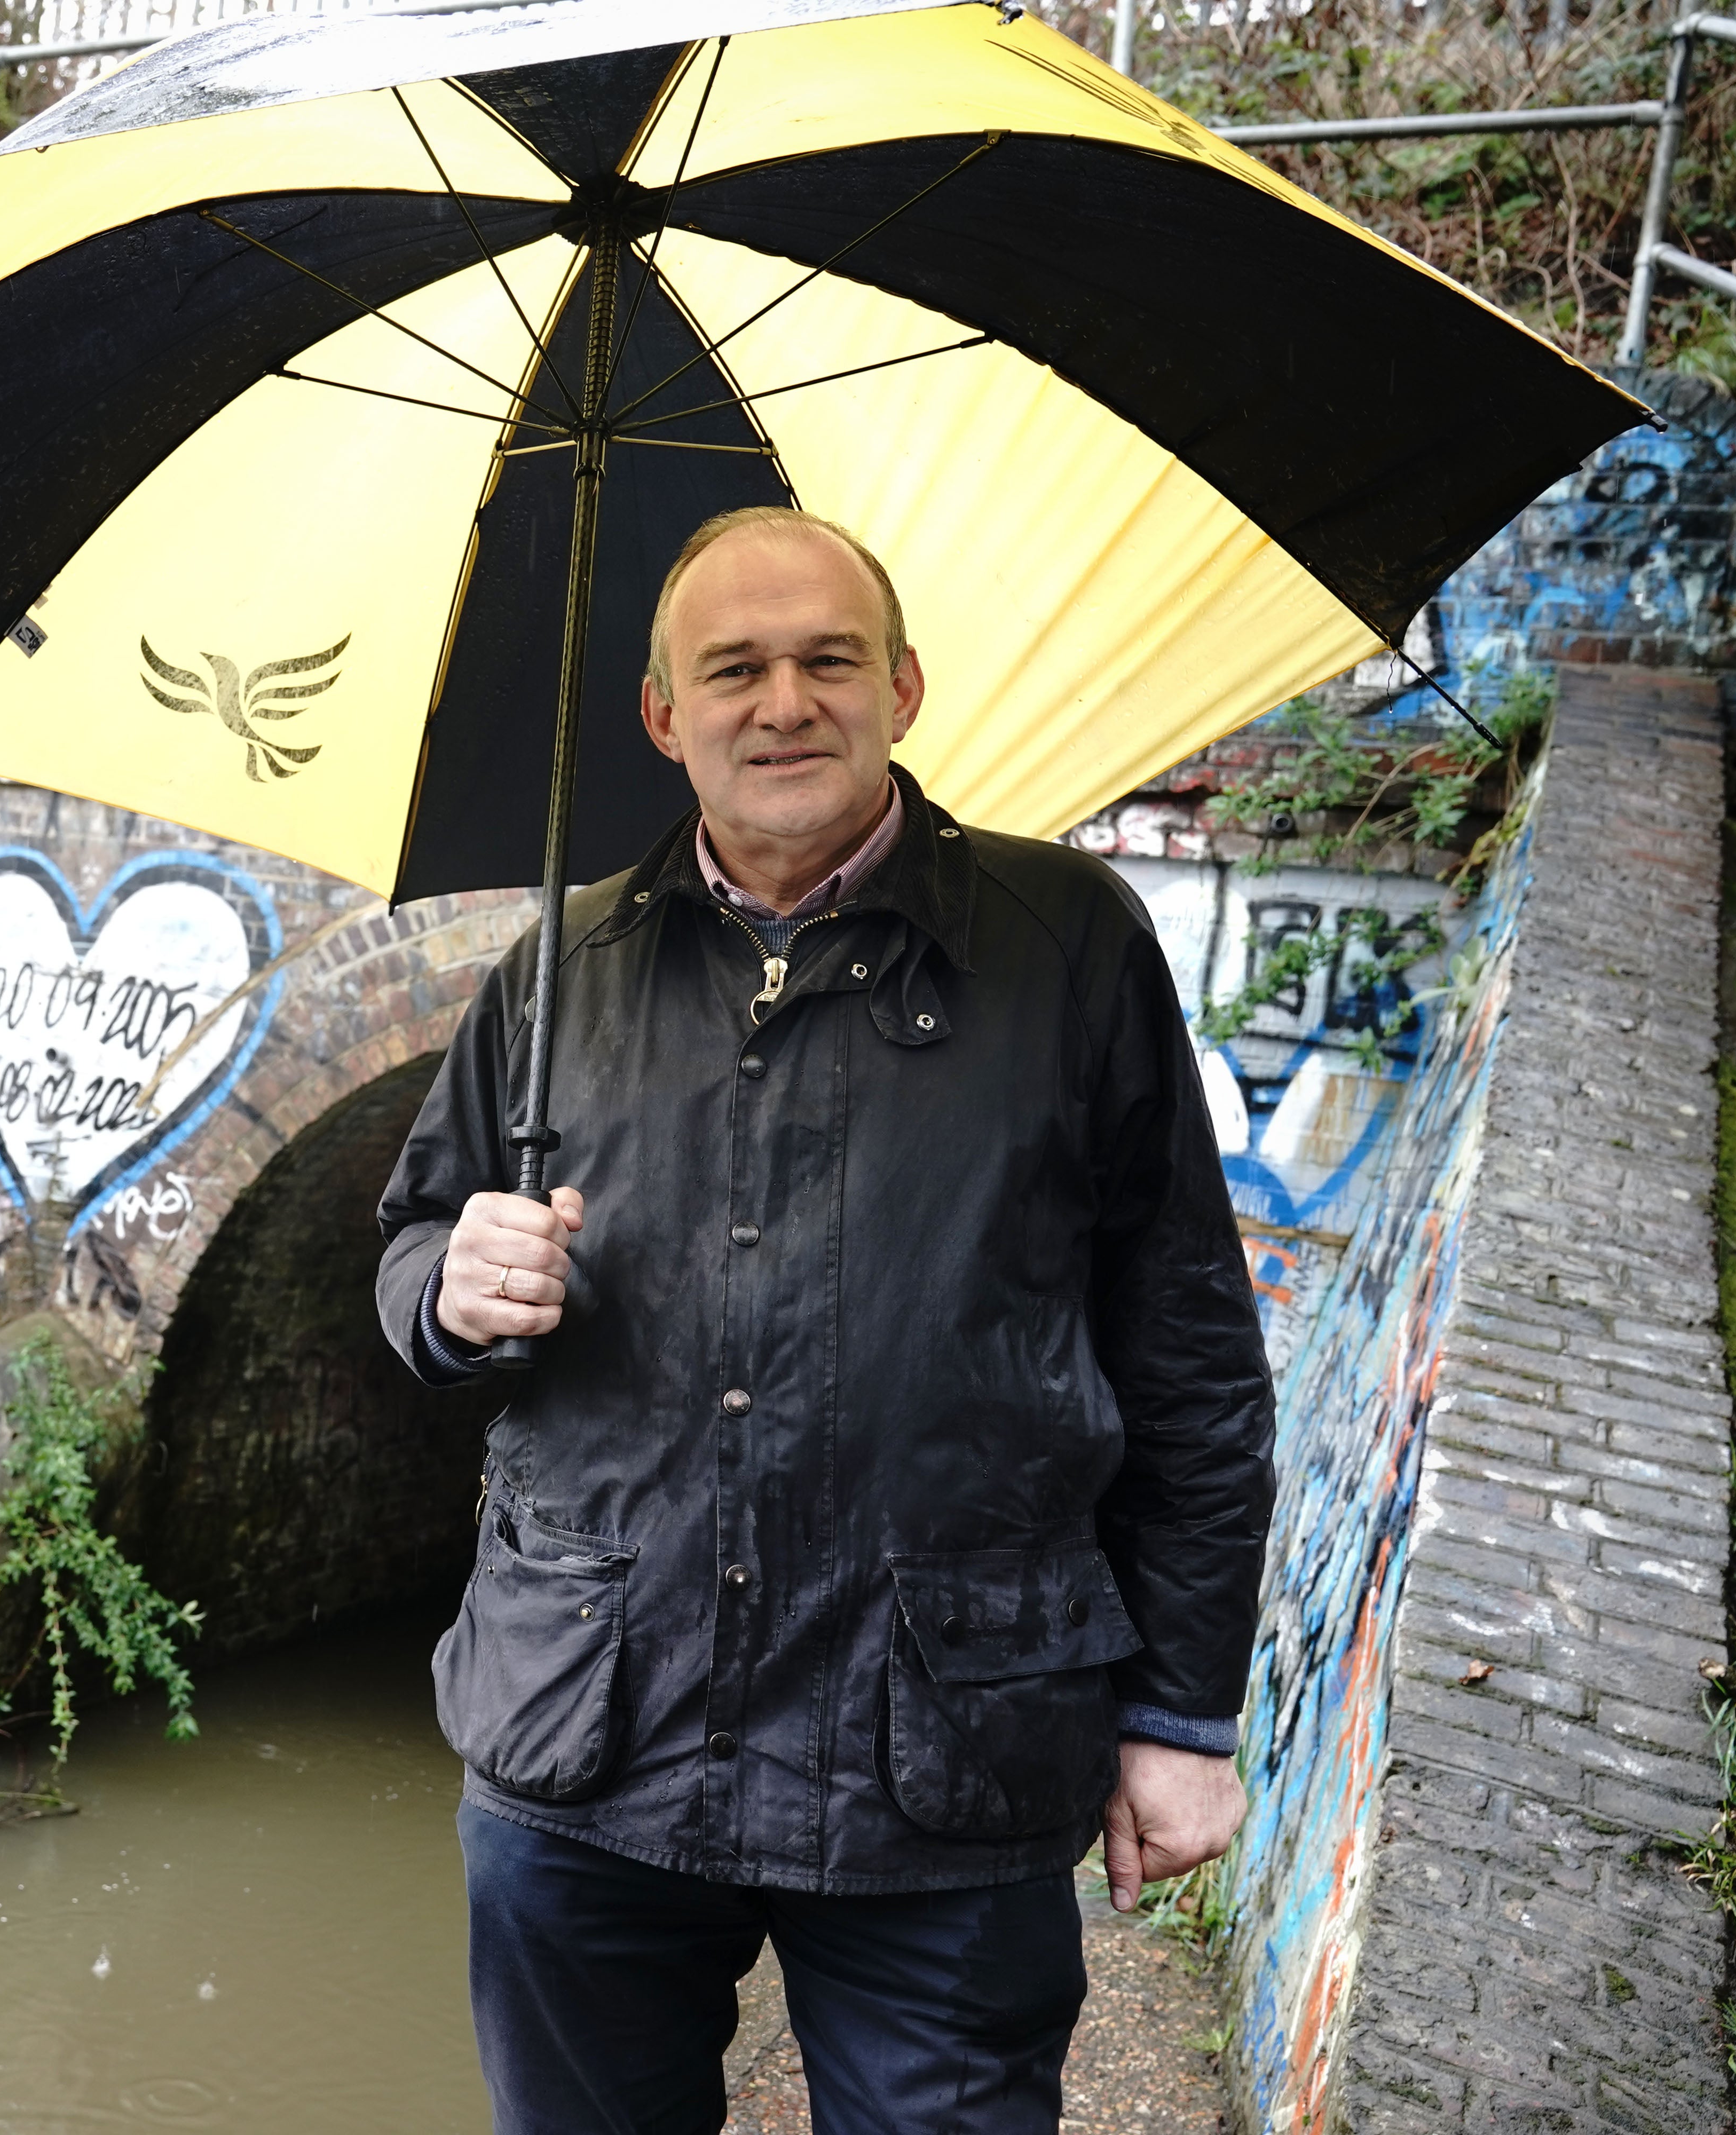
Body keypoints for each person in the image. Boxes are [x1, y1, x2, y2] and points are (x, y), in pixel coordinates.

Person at [374, 507, 1271, 2135]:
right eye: (733, 668)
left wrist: (1180, 1713)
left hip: (946, 1749)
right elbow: (408, 1247)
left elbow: (1192, 1358)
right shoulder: (560, 963)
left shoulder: (1068, 946)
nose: (782, 701)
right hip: (590, 1738)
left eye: (826, 660)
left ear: (903, 688)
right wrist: (451, 1284)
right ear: (664, 717)